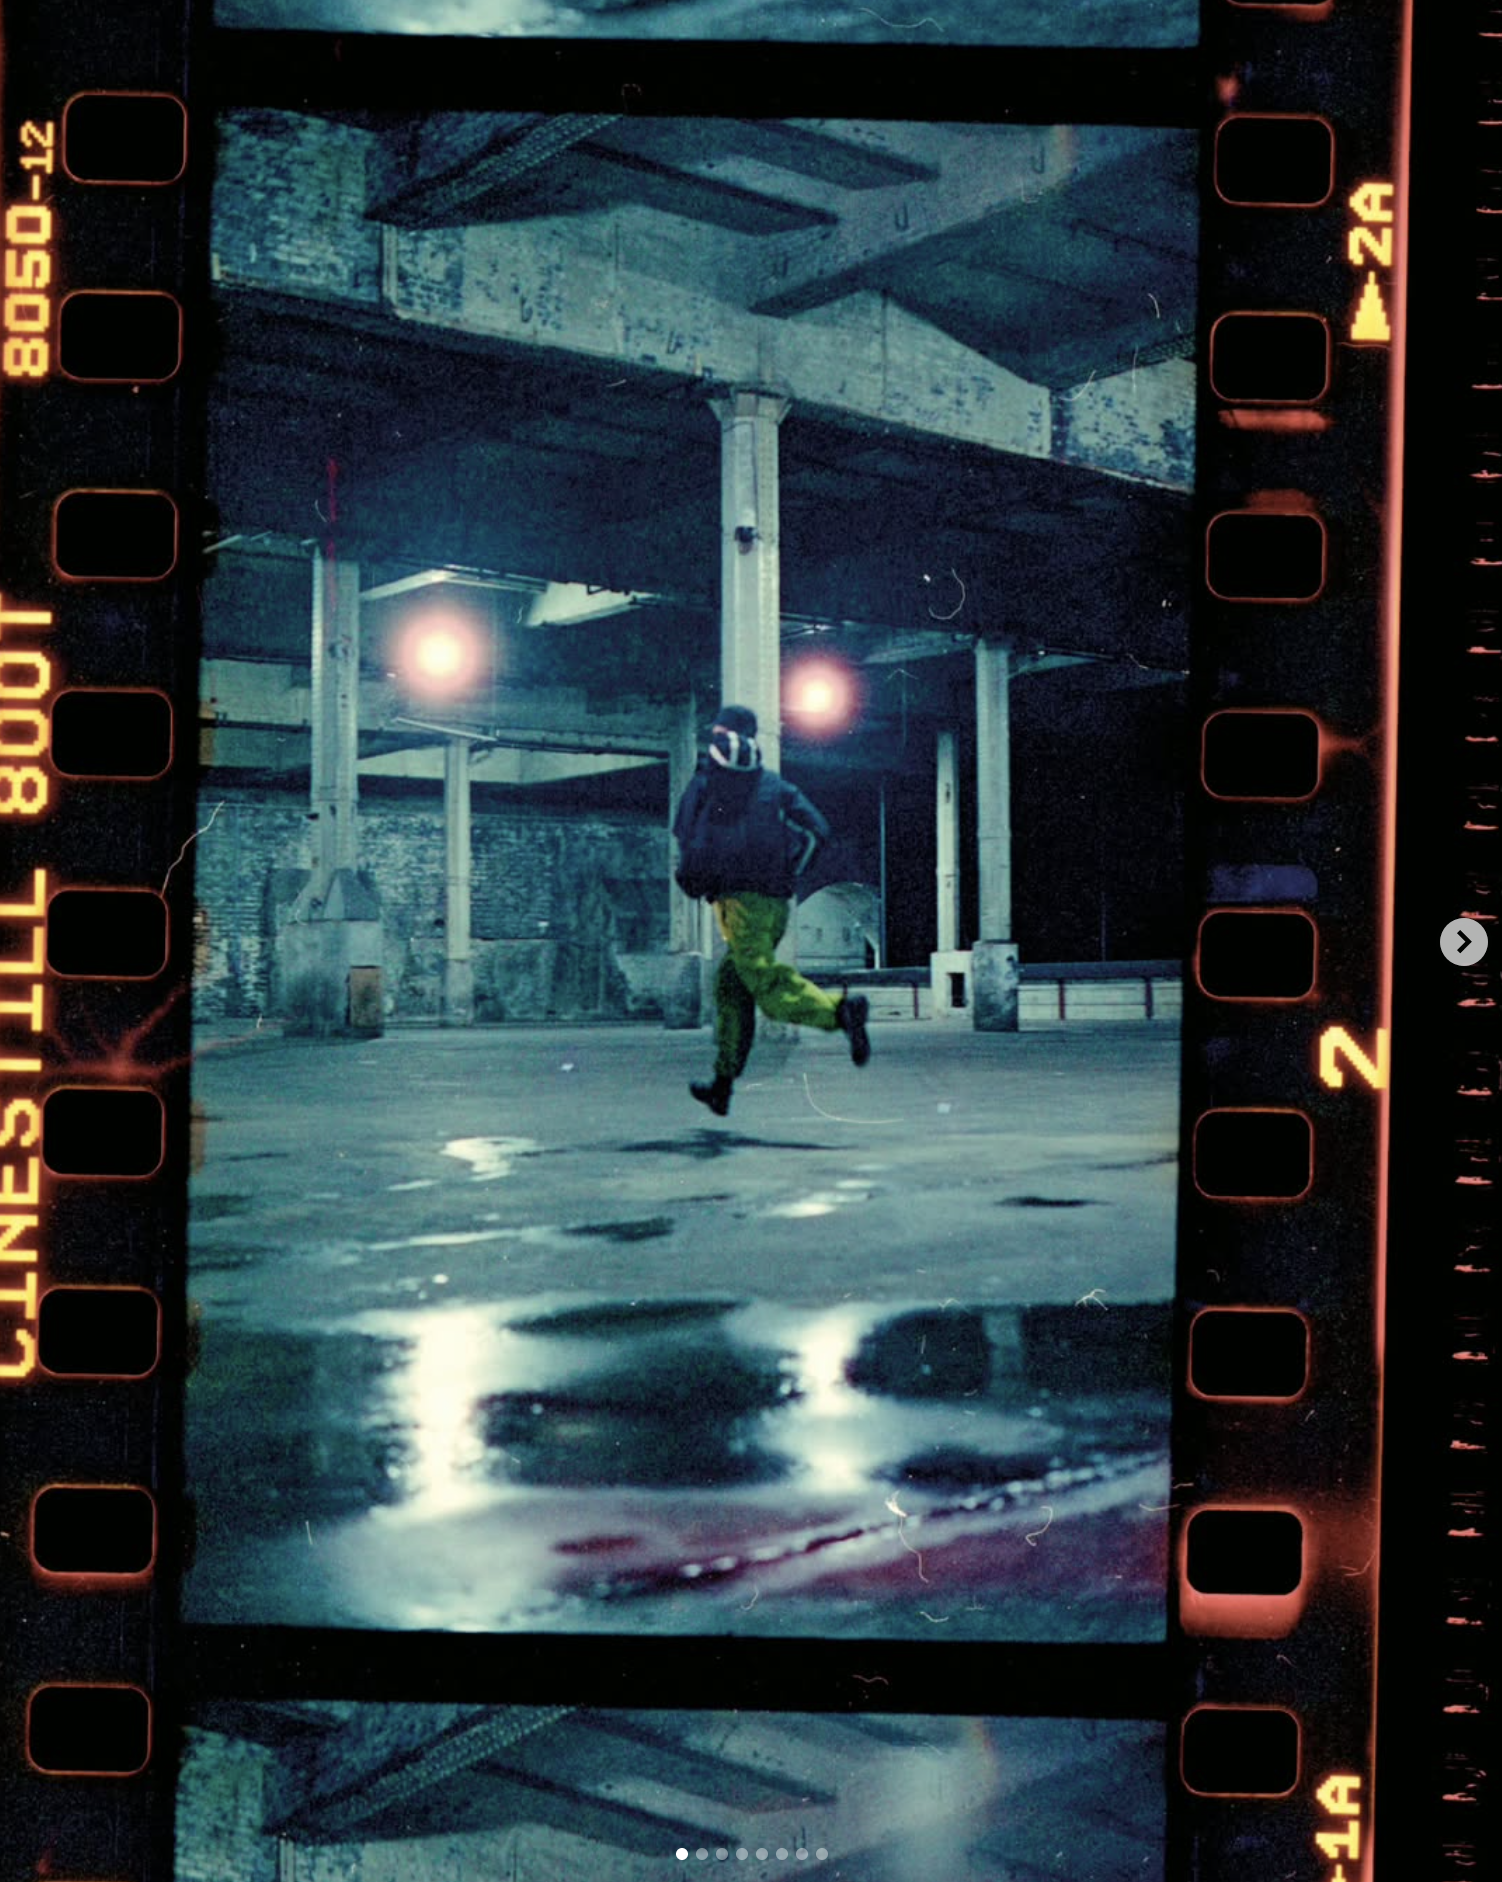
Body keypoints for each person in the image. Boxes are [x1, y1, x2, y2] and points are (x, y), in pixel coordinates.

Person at [672, 704, 870, 1116]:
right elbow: (819, 831)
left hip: (739, 907)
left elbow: (687, 837)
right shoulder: (774, 784)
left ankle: (840, 1014)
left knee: (766, 985)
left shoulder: (707, 783)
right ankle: (722, 1085)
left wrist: (698, 880)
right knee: (731, 985)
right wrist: (788, 876)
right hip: (777, 904)